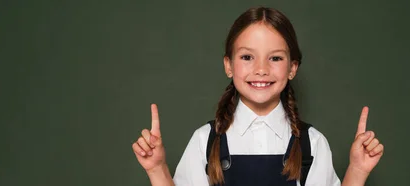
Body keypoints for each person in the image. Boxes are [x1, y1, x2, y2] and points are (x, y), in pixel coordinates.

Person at [131, 7, 384, 186]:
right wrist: (157, 169)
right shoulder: (204, 142)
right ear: (228, 65)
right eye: (247, 57)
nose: (261, 69)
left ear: (292, 68)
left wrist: (358, 171)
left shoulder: (312, 144)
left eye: (275, 58)